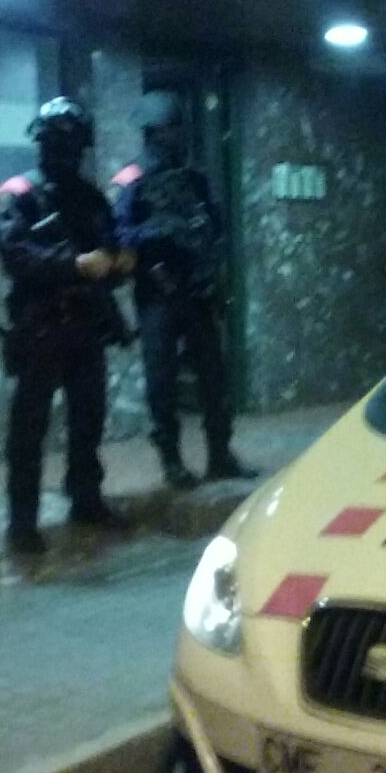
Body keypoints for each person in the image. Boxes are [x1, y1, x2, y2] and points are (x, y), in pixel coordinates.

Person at [0, 97, 133, 555]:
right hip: (40, 326)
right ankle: (22, 522)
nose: (65, 154)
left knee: (88, 420)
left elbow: (110, 247)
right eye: (58, 143)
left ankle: (86, 500)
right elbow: (17, 257)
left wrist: (120, 263)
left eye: (72, 145)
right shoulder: (18, 194)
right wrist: (73, 264)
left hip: (86, 325)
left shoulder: (90, 197)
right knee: (28, 430)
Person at [109, 91, 256, 488]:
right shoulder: (132, 179)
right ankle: (171, 459)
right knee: (162, 380)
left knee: (214, 376)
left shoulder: (194, 177)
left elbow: (215, 226)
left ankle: (220, 454)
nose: (181, 136)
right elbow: (117, 235)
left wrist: (211, 257)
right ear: (155, 131)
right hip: (158, 291)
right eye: (174, 128)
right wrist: (159, 231)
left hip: (196, 288)